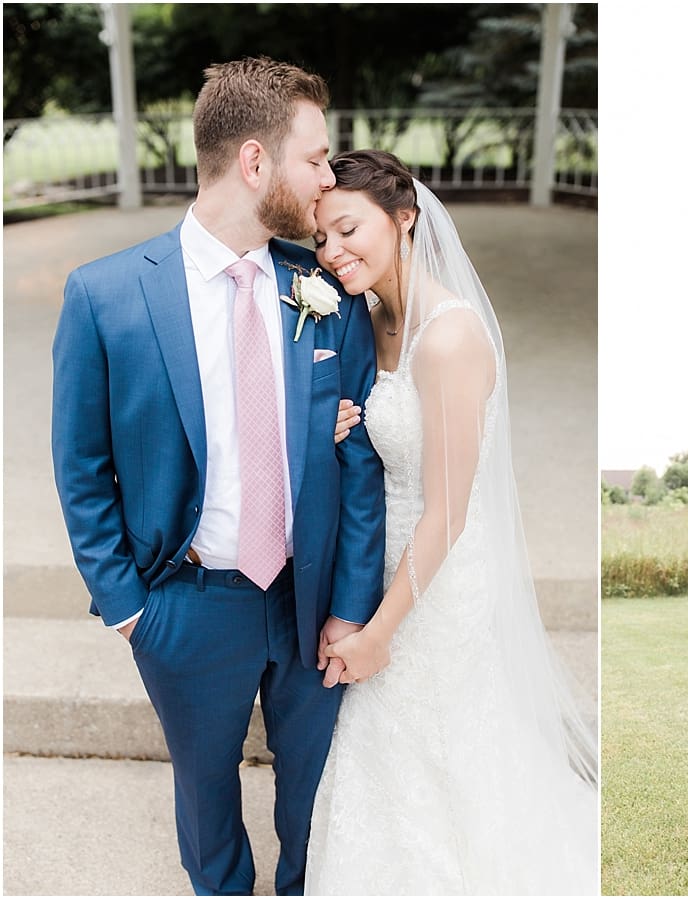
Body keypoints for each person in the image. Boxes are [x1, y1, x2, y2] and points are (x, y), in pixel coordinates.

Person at [50, 58, 385, 895]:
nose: (328, 178)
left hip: (312, 606)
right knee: (206, 808)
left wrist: (349, 607)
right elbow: (81, 468)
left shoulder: (325, 295)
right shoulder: (106, 295)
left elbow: (360, 461)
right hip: (186, 604)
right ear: (253, 161)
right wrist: (130, 609)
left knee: (316, 805)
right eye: (314, 159)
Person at [301, 149, 598, 894]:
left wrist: (378, 630)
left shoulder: (450, 337)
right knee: (388, 755)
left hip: (440, 580)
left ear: (405, 220)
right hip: (379, 562)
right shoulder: (368, 321)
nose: (333, 253)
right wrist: (336, 422)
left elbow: (450, 512)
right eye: (320, 241)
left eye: (347, 230)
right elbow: (373, 447)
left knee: (437, 745)